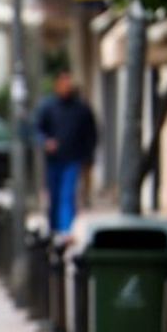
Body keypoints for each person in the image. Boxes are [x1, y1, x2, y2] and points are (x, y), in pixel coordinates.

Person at [33, 69, 99, 238]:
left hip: (73, 159)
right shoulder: (48, 107)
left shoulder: (81, 108)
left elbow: (91, 133)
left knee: (67, 196)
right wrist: (46, 142)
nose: (66, 86)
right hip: (54, 160)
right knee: (55, 196)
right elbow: (38, 130)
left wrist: (88, 157)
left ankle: (65, 231)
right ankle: (54, 228)